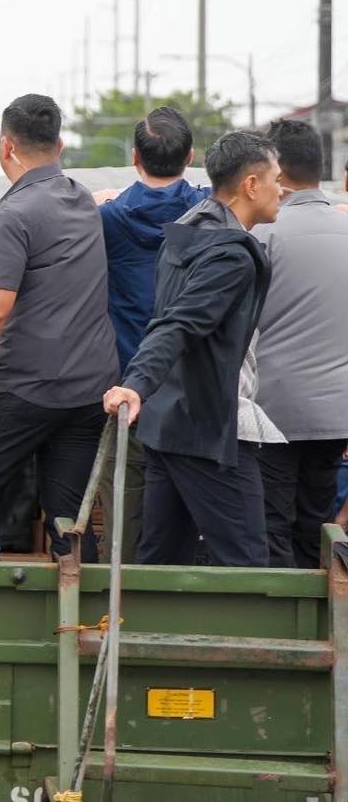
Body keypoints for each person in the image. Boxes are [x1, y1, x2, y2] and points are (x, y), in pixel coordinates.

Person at [0, 95, 118, 561]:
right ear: (59, 145)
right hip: (89, 390)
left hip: (26, 386)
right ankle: (81, 623)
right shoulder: (82, 200)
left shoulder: (12, 215)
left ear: (5, 148)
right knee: (69, 520)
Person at [104, 131, 282, 567]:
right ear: (251, 185)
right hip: (208, 423)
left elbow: (168, 320)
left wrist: (142, 387)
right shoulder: (231, 255)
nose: (284, 188)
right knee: (247, 564)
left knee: (163, 558)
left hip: (168, 421)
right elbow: (178, 324)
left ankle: (145, 632)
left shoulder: (189, 227)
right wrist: (136, 385)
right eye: (276, 178)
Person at [91, 107, 211, 562]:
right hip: (194, 384)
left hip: (129, 381)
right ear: (191, 156)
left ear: (135, 157)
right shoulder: (207, 214)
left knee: (126, 499)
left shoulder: (109, 218)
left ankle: (119, 603)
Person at [253, 118, 348, 568]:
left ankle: (279, 623)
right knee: (316, 523)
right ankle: (319, 622)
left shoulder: (263, 234)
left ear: (277, 169)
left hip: (273, 408)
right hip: (336, 412)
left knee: (272, 524)